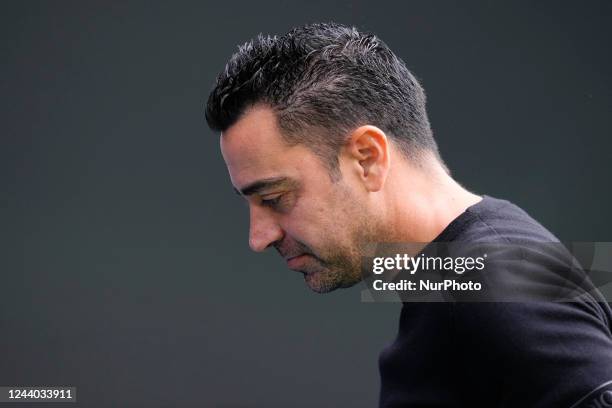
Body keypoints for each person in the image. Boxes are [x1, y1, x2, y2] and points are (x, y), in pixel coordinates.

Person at [205, 22, 612, 407]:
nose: (258, 238)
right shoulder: (470, 276)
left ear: (366, 158)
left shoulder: (497, 285)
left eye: (275, 197)